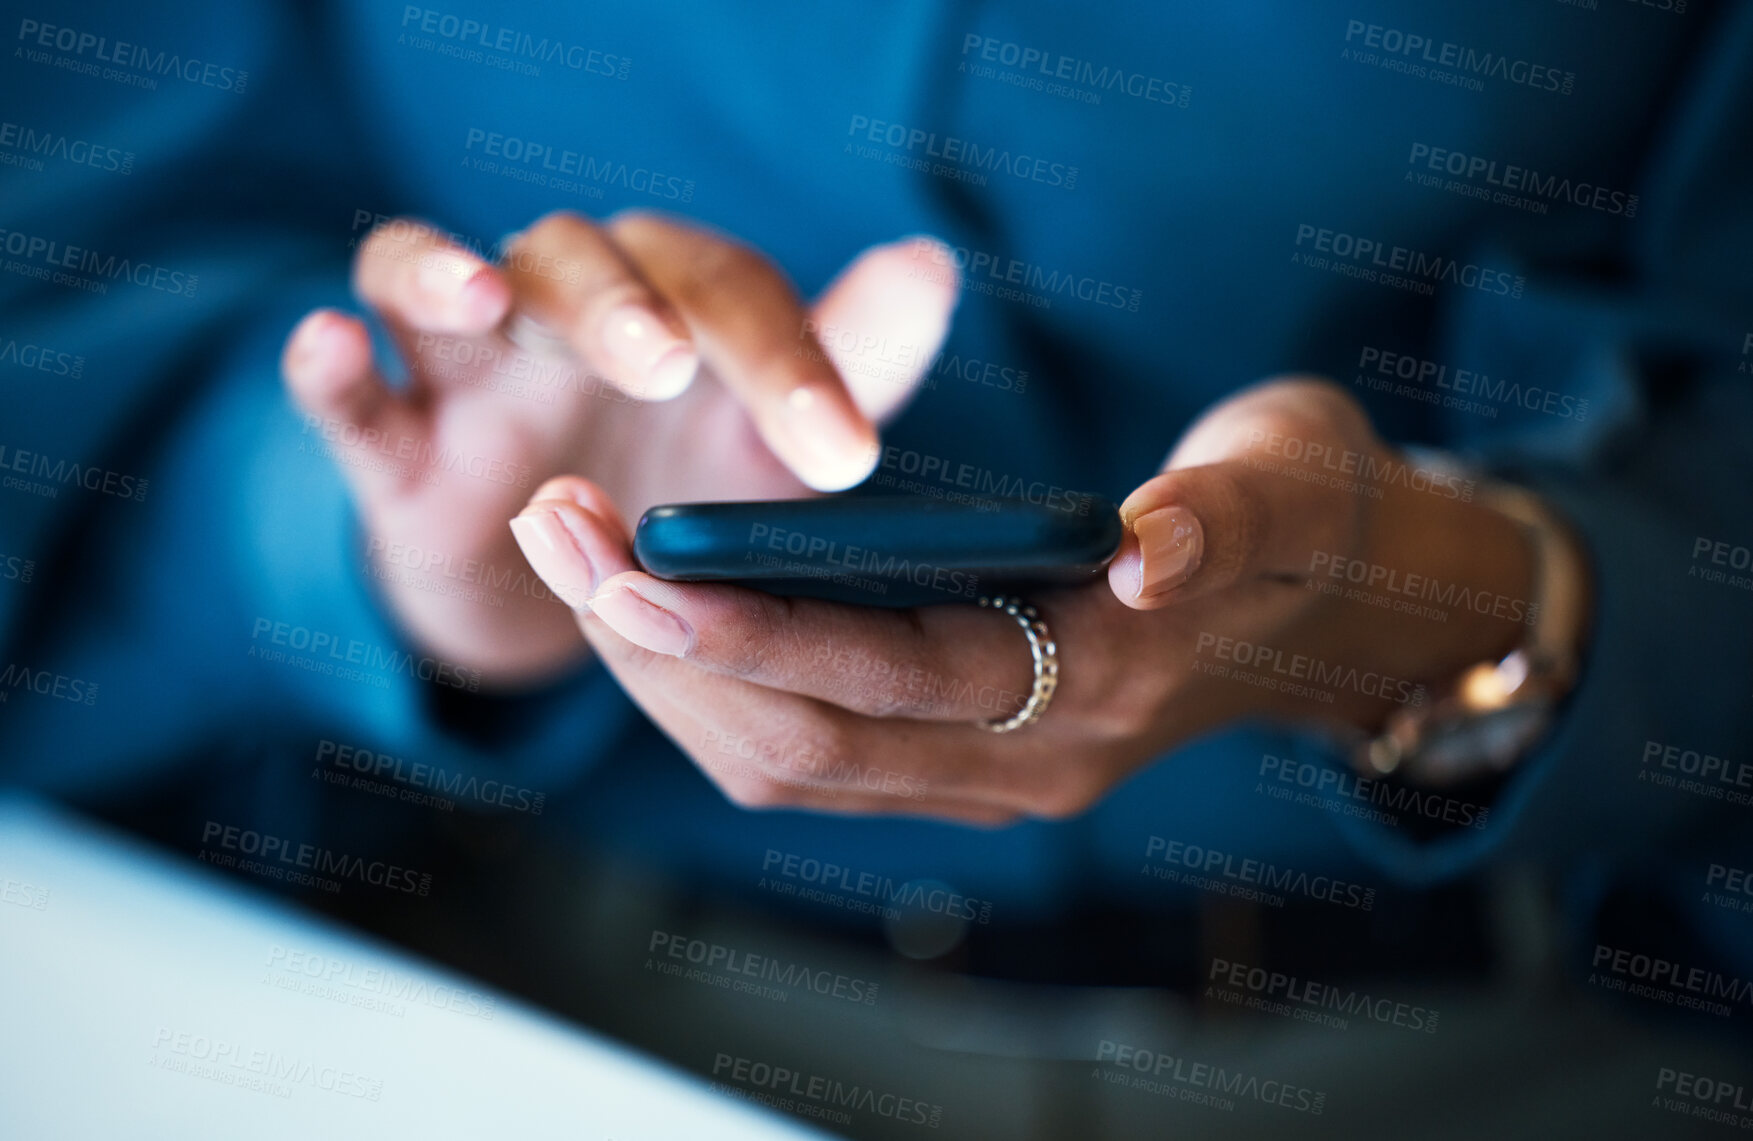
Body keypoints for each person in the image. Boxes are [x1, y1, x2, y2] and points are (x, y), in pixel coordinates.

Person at [3, 0, 1751, 1121]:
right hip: (526, 1019)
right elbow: (71, 246)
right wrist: (362, 529)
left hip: (1498, 1058)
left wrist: (1481, 600)